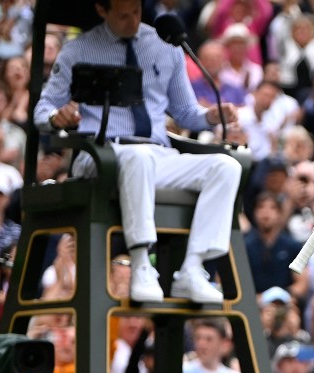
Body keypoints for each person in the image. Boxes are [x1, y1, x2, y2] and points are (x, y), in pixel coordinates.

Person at [33, 0, 241, 305]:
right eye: (122, 15)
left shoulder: (165, 45)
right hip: (101, 155)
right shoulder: (78, 50)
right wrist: (56, 118)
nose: (131, 20)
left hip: (157, 154)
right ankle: (142, 263)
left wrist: (209, 116)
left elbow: (184, 111)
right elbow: (43, 108)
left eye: (136, 12)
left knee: (227, 166)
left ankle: (193, 269)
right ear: (101, 10)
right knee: (138, 157)